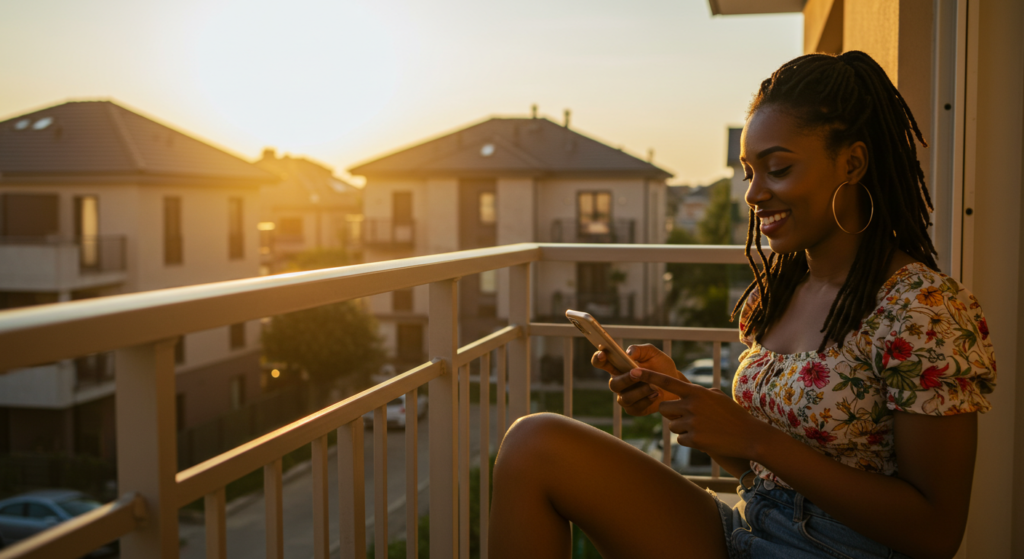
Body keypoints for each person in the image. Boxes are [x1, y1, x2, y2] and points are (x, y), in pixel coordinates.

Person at [487, 51, 997, 559]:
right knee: (535, 445)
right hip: (751, 528)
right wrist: (681, 399)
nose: (754, 194)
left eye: (777, 169)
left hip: (839, 550)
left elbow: (935, 534)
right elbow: (763, 469)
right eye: (750, 171)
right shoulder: (783, 292)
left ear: (853, 162)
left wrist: (756, 440)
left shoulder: (923, 310)